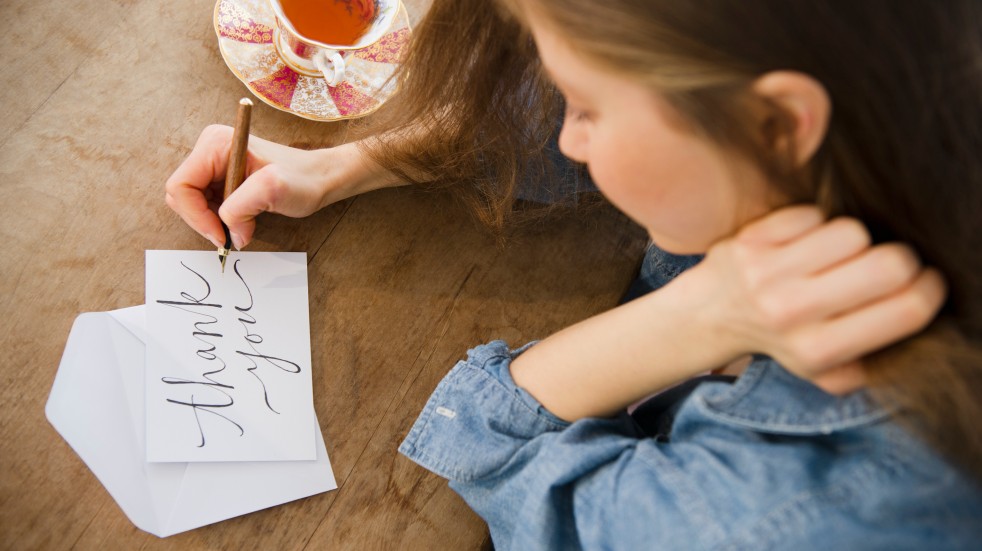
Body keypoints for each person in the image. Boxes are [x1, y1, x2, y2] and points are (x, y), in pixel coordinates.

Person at [166, 0, 982, 548]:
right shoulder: (898, 89)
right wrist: (347, 167)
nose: (569, 140)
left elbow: (500, 461)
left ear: (773, 121)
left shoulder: (799, 514)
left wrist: (703, 314)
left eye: (588, 109)